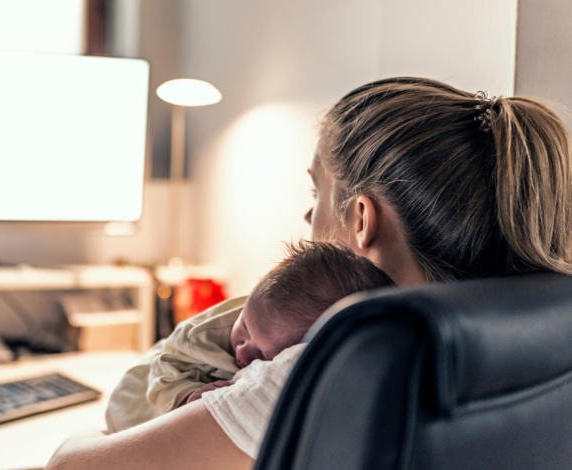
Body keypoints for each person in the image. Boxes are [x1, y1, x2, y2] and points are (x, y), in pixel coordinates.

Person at [45, 77, 572, 470]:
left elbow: (71, 468)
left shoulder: (330, 366)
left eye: (315, 194)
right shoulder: (520, 332)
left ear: (361, 219)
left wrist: (85, 431)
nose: (307, 218)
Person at [105, 241, 395, 432]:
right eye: (243, 329)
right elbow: (166, 364)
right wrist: (185, 397)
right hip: (139, 390)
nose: (243, 352)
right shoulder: (201, 335)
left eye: (261, 355)